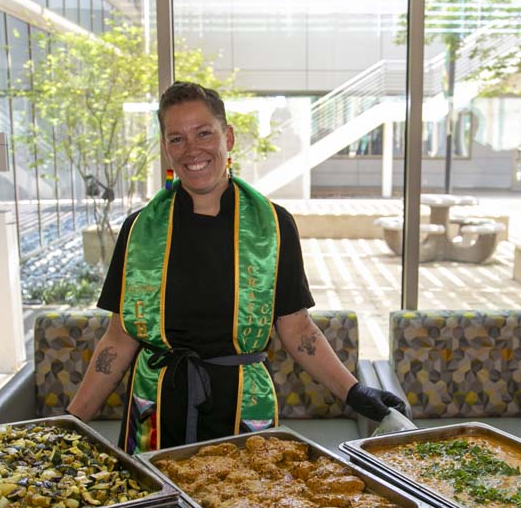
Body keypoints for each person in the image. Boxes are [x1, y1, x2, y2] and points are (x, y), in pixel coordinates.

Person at [66, 81, 406, 452]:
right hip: (158, 411)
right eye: (177, 138)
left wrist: (354, 391)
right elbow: (119, 339)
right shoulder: (138, 231)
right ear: (166, 148)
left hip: (243, 406)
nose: (192, 149)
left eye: (204, 133)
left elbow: (297, 329)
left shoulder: (273, 226)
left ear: (227, 136)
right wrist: (68, 425)